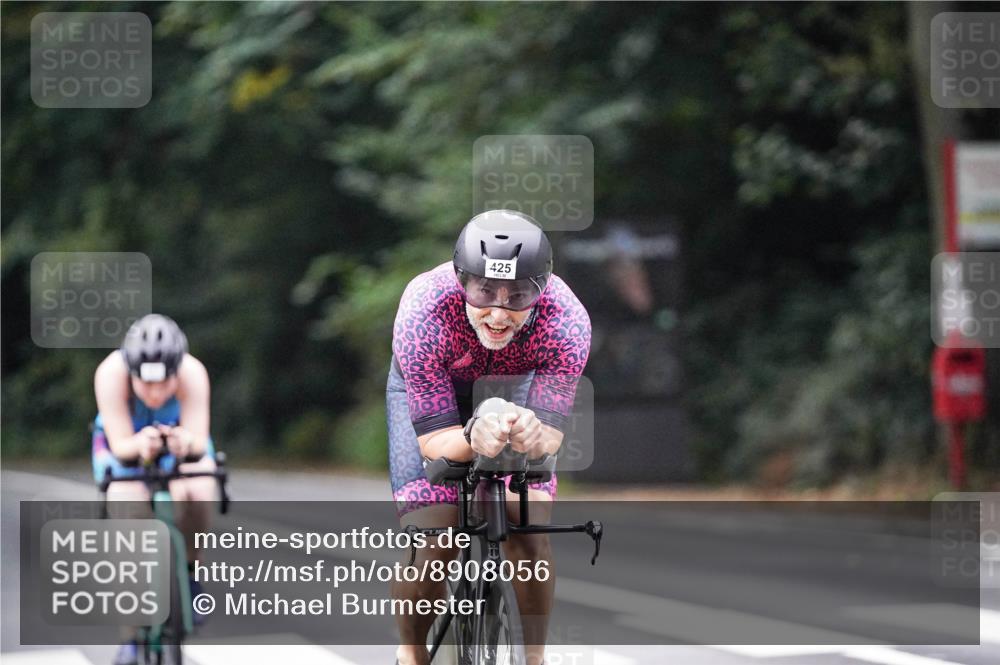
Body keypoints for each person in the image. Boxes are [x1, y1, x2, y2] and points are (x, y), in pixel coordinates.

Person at [387, 210, 592, 665]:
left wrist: (533, 435)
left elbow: (550, 438)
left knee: (528, 528)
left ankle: (534, 657)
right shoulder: (425, 310)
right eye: (483, 292)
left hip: (515, 390)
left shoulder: (567, 322)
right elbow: (436, 444)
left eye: (518, 295)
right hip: (433, 397)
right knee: (434, 534)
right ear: (462, 281)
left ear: (541, 289)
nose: (498, 313)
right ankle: (413, 653)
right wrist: (473, 432)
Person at [92, 313, 217, 665]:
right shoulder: (110, 373)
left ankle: (191, 570)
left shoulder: (193, 373)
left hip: (179, 443)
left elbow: (198, 438)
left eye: (165, 382)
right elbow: (119, 445)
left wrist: (182, 443)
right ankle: (131, 636)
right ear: (131, 371)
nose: (156, 392)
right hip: (125, 445)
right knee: (128, 508)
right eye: (146, 384)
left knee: (201, 482)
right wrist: (140, 447)